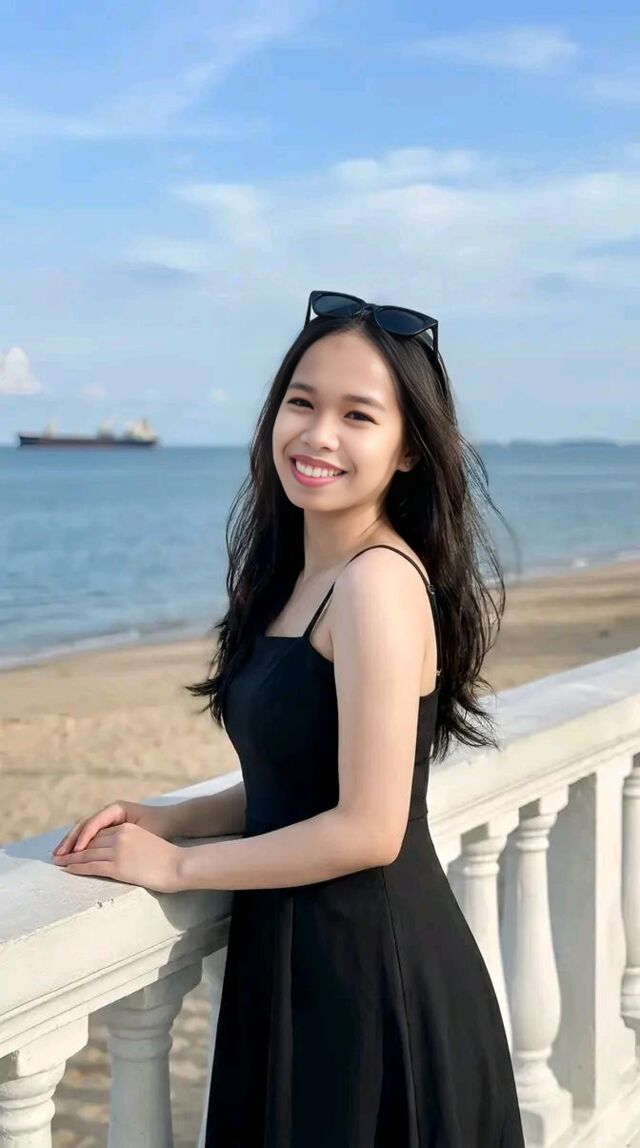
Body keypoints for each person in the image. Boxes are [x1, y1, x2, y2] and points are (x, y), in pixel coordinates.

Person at [51, 290, 525, 1146]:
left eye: (358, 415)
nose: (318, 435)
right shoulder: (292, 576)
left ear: (409, 450)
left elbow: (370, 828)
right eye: (302, 403)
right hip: (297, 968)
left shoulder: (377, 584)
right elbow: (299, 779)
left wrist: (180, 866)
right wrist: (172, 817)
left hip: (371, 985)